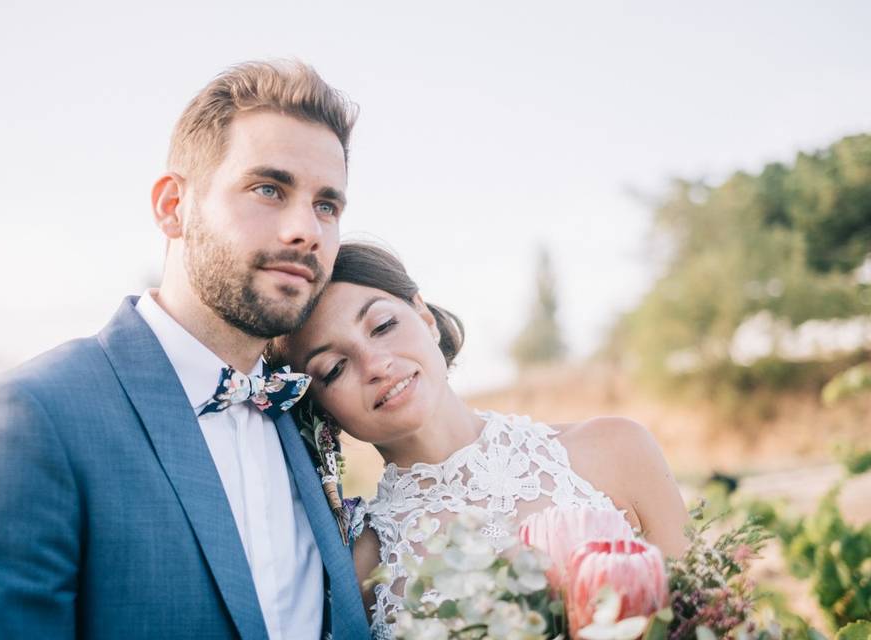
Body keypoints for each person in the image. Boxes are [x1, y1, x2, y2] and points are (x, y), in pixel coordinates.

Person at [0, 60, 370, 640]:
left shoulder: (307, 417)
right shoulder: (32, 419)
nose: (305, 228)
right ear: (172, 207)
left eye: (327, 205)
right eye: (268, 189)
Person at [276, 242, 691, 638]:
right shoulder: (362, 565)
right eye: (333, 368)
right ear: (321, 407)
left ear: (424, 317)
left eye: (383, 326)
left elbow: (712, 620)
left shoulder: (617, 448)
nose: (376, 365)